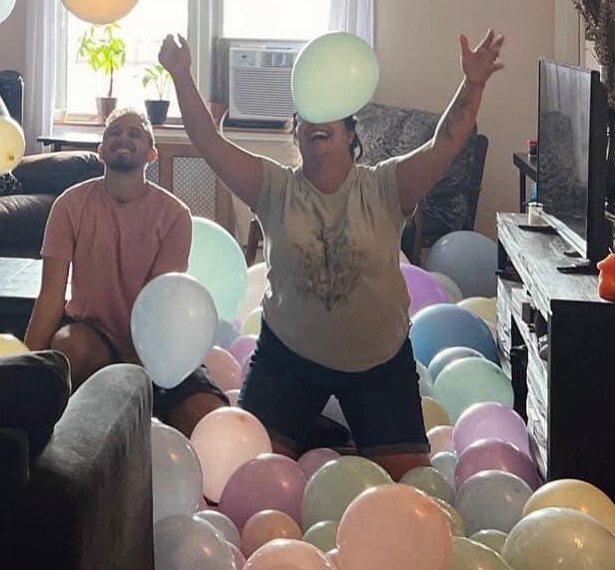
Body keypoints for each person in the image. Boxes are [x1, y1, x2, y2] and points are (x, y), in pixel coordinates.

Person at [158, 28, 505, 478]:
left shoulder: (386, 186)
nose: (315, 123)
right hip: (288, 359)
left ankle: (321, 432)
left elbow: (446, 143)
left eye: (328, 117)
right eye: (304, 119)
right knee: (249, 477)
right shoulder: (274, 188)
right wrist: (182, 75)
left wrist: (473, 84)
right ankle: (312, 429)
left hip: (379, 362)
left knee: (408, 487)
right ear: (297, 134)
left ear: (350, 133)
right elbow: (210, 143)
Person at [24, 106, 229, 435]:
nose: (123, 138)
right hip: (94, 336)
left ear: (151, 154)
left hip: (160, 345)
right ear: (100, 150)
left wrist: (140, 374)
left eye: (135, 134)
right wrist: (21, 371)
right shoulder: (69, 205)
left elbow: (159, 306)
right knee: (68, 347)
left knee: (209, 421)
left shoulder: (175, 215)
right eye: (114, 132)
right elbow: (50, 297)